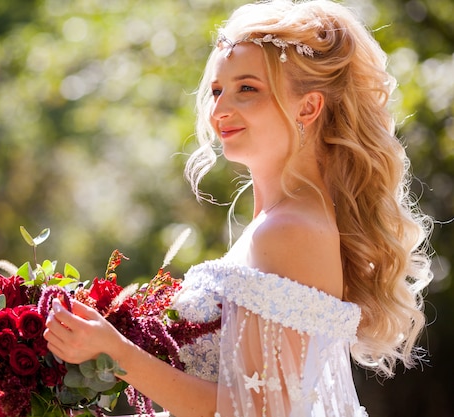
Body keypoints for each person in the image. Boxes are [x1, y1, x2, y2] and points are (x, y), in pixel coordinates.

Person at [44, 0, 434, 416]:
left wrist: (116, 352)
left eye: (247, 88)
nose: (219, 110)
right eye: (216, 90)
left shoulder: (289, 230)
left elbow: (259, 411)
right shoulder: (275, 223)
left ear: (308, 107)